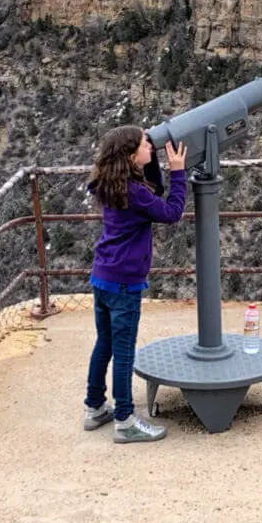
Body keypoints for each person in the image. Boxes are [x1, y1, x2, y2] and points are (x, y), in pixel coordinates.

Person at [83, 125, 187, 443]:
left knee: (105, 344)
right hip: (125, 284)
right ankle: (125, 420)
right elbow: (171, 212)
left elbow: (150, 189)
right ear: (131, 156)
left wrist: (154, 157)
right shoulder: (135, 193)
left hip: (102, 277)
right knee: (125, 353)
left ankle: (95, 406)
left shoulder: (108, 184)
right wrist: (179, 173)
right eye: (145, 144)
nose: (149, 147)